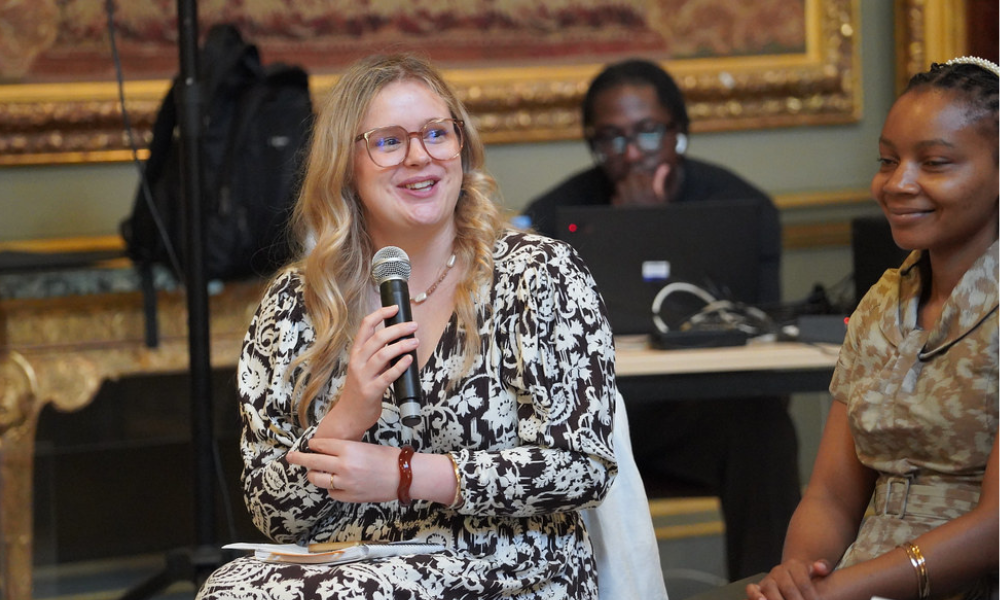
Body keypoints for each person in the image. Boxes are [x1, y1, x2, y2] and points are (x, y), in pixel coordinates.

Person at [195, 52, 665, 600]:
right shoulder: (295, 305)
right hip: (347, 562)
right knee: (230, 589)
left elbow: (582, 469)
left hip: (512, 566)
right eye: (389, 141)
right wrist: (345, 418)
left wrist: (405, 474)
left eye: (437, 133)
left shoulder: (538, 274)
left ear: (461, 146)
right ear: (345, 163)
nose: (420, 157)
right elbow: (275, 518)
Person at [522, 58, 800, 580]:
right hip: (599, 422)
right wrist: (628, 231)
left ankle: (768, 590)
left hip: (698, 419)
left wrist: (654, 228)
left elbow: (764, 334)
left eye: (647, 133)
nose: (631, 155)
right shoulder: (552, 216)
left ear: (679, 132)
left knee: (766, 430)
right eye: (611, 139)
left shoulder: (741, 206)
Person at [747, 56, 999, 600]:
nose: (897, 183)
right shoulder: (883, 301)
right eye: (887, 160)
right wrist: (799, 575)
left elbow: (995, 526)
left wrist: (842, 590)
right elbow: (830, 497)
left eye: (934, 162)